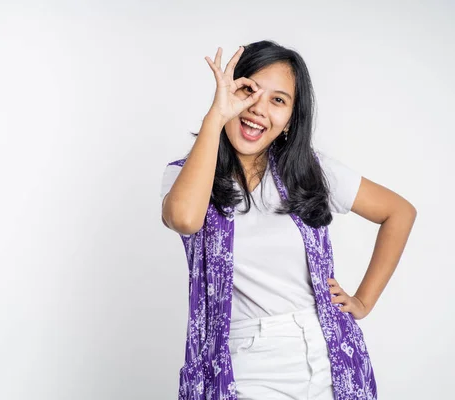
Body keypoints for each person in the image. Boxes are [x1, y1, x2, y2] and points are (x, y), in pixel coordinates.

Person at [160, 40, 417, 400]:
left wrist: (363, 300)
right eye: (248, 91)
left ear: (289, 120)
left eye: (278, 100)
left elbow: (399, 212)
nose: (258, 110)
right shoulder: (185, 176)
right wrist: (215, 117)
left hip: (329, 353)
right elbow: (185, 219)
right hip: (246, 363)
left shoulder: (308, 171)